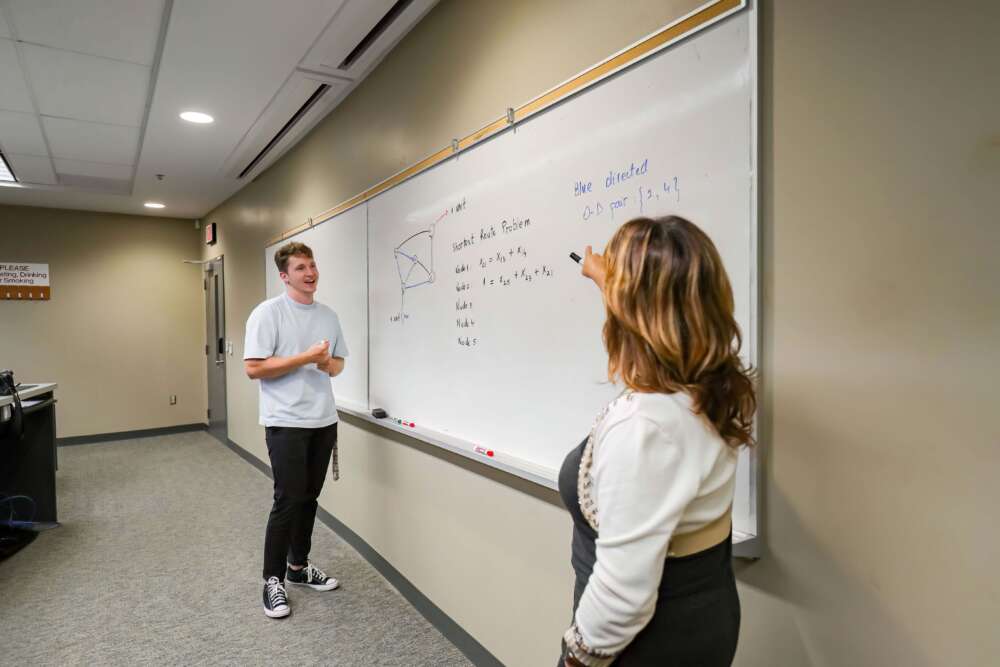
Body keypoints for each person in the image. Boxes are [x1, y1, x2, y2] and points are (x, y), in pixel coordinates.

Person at [559, 216, 756, 665]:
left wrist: (575, 660)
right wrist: (606, 280)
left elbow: (621, 598)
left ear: (634, 310)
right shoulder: (706, 388)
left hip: (644, 645)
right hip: (703, 618)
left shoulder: (647, 428)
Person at [244, 241, 349, 619]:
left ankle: (299, 567)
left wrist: (324, 364)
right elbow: (254, 368)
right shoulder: (268, 313)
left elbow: (337, 365)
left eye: (313, 265)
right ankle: (272, 580)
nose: (311, 273)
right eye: (301, 267)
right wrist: (306, 356)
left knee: (308, 498)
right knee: (287, 499)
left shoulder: (329, 316)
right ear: (285, 276)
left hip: (323, 420)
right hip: (285, 421)